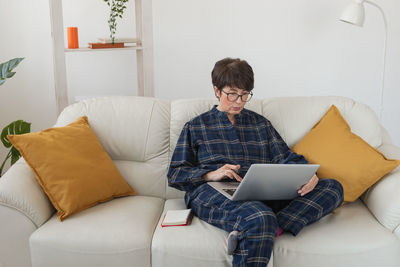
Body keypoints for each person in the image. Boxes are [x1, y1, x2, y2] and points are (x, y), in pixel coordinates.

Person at [167, 57, 344, 267]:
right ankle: (262, 224)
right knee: (260, 216)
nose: (239, 101)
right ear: (217, 90)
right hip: (213, 191)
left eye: (244, 95)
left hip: (263, 193)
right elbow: (175, 174)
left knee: (333, 188)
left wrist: (308, 174)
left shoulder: (260, 124)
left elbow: (285, 157)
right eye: (232, 94)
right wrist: (209, 174)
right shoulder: (196, 126)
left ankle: (268, 227)